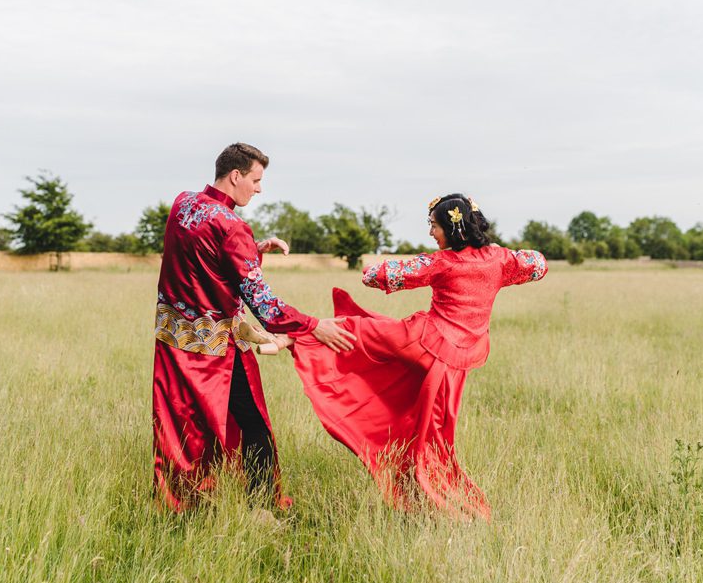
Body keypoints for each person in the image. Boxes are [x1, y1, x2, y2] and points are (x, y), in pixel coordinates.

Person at [285, 194, 547, 517]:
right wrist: (504, 258)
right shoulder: (499, 259)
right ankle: (433, 501)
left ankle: (300, 340)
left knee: (362, 333)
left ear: (453, 227)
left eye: (434, 226)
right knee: (433, 433)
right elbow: (538, 264)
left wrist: (373, 269)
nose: (431, 233)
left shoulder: (443, 263)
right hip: (457, 362)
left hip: (425, 343)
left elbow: (375, 275)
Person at [151, 141, 356, 511]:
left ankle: (180, 499)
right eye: (256, 180)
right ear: (235, 176)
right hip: (215, 351)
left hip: (174, 341)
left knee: (182, 422)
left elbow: (202, 258)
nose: (259, 189)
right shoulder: (232, 227)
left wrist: (253, 249)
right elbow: (265, 306)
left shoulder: (183, 203)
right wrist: (314, 326)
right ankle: (262, 506)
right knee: (253, 423)